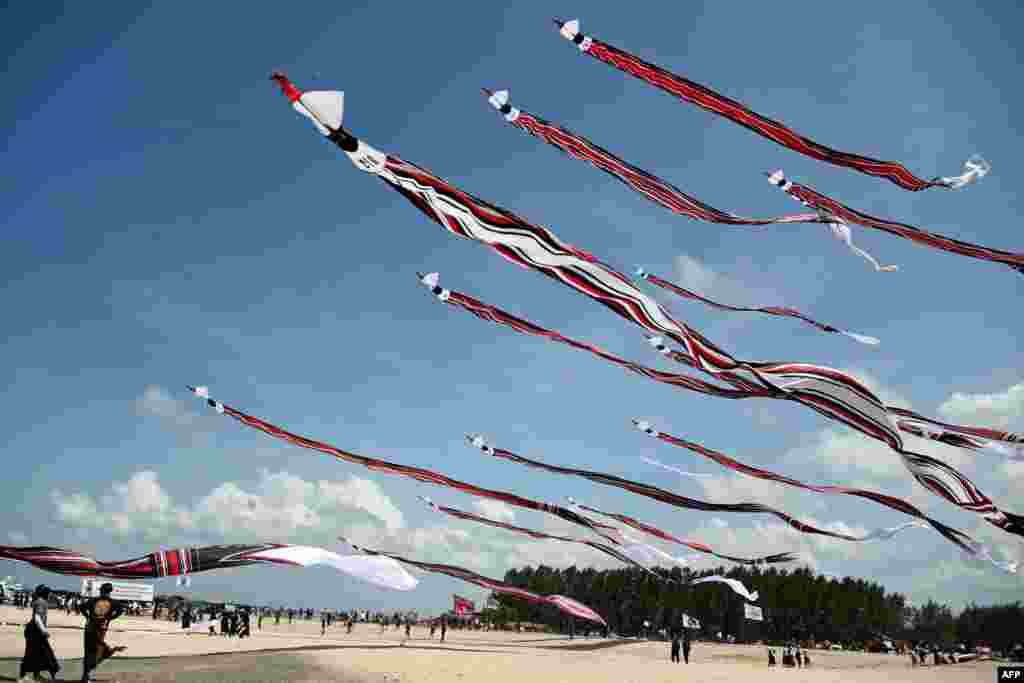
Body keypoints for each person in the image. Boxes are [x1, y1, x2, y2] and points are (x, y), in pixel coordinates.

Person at [79, 583, 126, 683]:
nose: (101, 592)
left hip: (91, 630)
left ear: (102, 591)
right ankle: (85, 676)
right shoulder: (113, 602)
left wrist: (88, 617)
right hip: (99, 631)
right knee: (95, 652)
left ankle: (85, 676)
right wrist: (109, 619)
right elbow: (120, 610)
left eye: (101, 591)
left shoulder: (94, 600)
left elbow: (81, 607)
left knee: (91, 652)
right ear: (110, 592)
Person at [20, 585, 60, 682]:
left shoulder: (42, 602)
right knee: (31, 653)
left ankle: (36, 675)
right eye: (48, 592)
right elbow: (37, 617)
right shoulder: (41, 602)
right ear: (44, 593)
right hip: (34, 632)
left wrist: (56, 601)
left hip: (36, 631)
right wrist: (44, 630)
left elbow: (54, 606)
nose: (50, 594)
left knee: (40, 653)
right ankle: (22, 677)